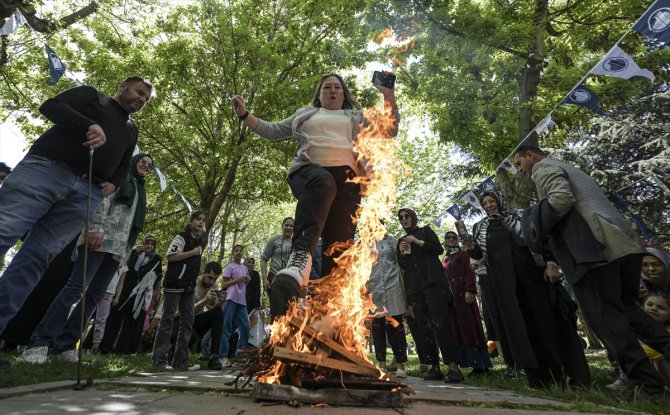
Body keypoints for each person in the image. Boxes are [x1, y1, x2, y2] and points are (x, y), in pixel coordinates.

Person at [231, 73, 398, 318]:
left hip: (347, 183)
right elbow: (273, 130)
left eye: (337, 88)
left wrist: (388, 95)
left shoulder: (355, 116)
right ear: (319, 94)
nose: (332, 91)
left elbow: (390, 128)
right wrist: (245, 115)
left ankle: (332, 313)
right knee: (324, 181)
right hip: (309, 175)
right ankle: (300, 259)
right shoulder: (305, 114)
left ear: (344, 94)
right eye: (327, 87)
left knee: (339, 248)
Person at [0, 77, 152, 344]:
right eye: (139, 92)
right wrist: (88, 125)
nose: (141, 100)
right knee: (4, 231)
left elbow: (124, 162)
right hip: (47, 169)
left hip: (86, 193)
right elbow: (51, 106)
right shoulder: (93, 96)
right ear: (122, 85)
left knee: (37, 258)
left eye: (146, 99)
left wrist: (114, 183)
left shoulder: (131, 130)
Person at [514, 145, 670, 399]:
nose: (521, 171)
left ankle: (651, 388)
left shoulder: (542, 168)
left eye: (520, 164)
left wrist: (538, 228)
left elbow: (560, 200)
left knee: (609, 323)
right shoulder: (571, 168)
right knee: (630, 313)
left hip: (596, 253)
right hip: (624, 246)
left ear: (531, 156)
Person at [18, 153, 154, 363]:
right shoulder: (120, 179)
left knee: (95, 296)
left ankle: (65, 346)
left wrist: (125, 254)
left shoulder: (140, 190)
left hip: (117, 250)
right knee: (75, 288)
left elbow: (131, 227)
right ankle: (39, 343)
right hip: (98, 239)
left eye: (149, 166)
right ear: (134, 161)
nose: (145, 166)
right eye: (143, 162)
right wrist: (96, 228)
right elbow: (101, 201)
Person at [464, 191, 589, 388]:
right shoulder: (480, 227)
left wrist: (550, 262)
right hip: (503, 284)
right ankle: (538, 377)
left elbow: (537, 241)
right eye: (485, 203)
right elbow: (480, 254)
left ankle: (566, 372)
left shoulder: (518, 217)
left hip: (532, 277)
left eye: (492, 201)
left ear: (500, 201)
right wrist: (471, 247)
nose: (489, 205)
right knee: (520, 326)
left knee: (545, 322)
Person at [397, 208, 464, 383]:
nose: (404, 220)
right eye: (401, 218)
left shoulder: (425, 231)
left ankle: (453, 367)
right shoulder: (400, 241)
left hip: (434, 285)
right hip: (415, 289)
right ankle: (434, 367)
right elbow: (403, 266)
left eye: (407, 216)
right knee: (424, 327)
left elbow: (438, 249)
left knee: (441, 323)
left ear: (413, 218)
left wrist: (419, 242)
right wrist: (403, 253)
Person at [151, 211, 206, 370]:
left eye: (203, 220)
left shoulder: (199, 239)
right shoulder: (181, 236)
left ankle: (180, 361)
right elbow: (171, 256)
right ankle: (159, 360)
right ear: (190, 221)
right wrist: (193, 253)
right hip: (175, 284)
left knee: (188, 321)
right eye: (198, 219)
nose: (201, 223)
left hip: (189, 287)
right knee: (167, 319)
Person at [99, 235, 163, 354]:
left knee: (132, 320)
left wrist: (152, 277)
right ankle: (105, 346)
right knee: (116, 316)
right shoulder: (136, 253)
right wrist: (134, 252)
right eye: (147, 243)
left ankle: (123, 349)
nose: (149, 246)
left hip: (141, 293)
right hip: (127, 288)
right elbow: (126, 266)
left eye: (152, 244)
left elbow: (159, 275)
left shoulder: (157, 259)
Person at [442, 231, 492, 377]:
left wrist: (470, 290)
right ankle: (468, 363)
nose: (451, 239)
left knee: (471, 328)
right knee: (458, 330)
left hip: (465, 298)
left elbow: (469, 273)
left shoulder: (464, 255)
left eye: (453, 237)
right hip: (452, 301)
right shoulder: (445, 258)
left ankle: (481, 367)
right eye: (448, 237)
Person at [366, 231, 408, 378]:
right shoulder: (366, 242)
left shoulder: (392, 241)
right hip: (374, 289)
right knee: (377, 328)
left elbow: (401, 262)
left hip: (393, 288)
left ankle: (400, 364)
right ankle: (382, 363)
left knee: (396, 327)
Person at [218, 245, 251, 366]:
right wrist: (238, 280)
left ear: (243, 253)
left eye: (240, 251)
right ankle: (222, 357)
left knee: (245, 326)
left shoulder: (245, 268)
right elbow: (223, 284)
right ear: (233, 253)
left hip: (242, 301)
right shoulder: (229, 267)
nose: (238, 252)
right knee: (226, 326)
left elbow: (245, 283)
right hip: (231, 298)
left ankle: (240, 357)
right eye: (236, 251)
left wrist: (247, 279)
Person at [190, 261, 224, 370]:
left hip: (197, 322)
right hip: (183, 321)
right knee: (192, 337)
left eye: (215, 279)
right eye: (210, 277)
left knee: (218, 313)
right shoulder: (192, 283)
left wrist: (219, 304)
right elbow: (187, 312)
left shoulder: (213, 285)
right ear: (204, 273)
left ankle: (214, 356)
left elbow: (213, 307)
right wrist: (205, 301)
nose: (211, 282)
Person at [260, 217, 293, 292]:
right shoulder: (275, 240)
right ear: (282, 227)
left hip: (291, 280)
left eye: (291, 226)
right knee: (277, 303)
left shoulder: (296, 242)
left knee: (291, 303)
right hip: (275, 277)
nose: (289, 227)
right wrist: (264, 279)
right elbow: (263, 259)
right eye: (286, 225)